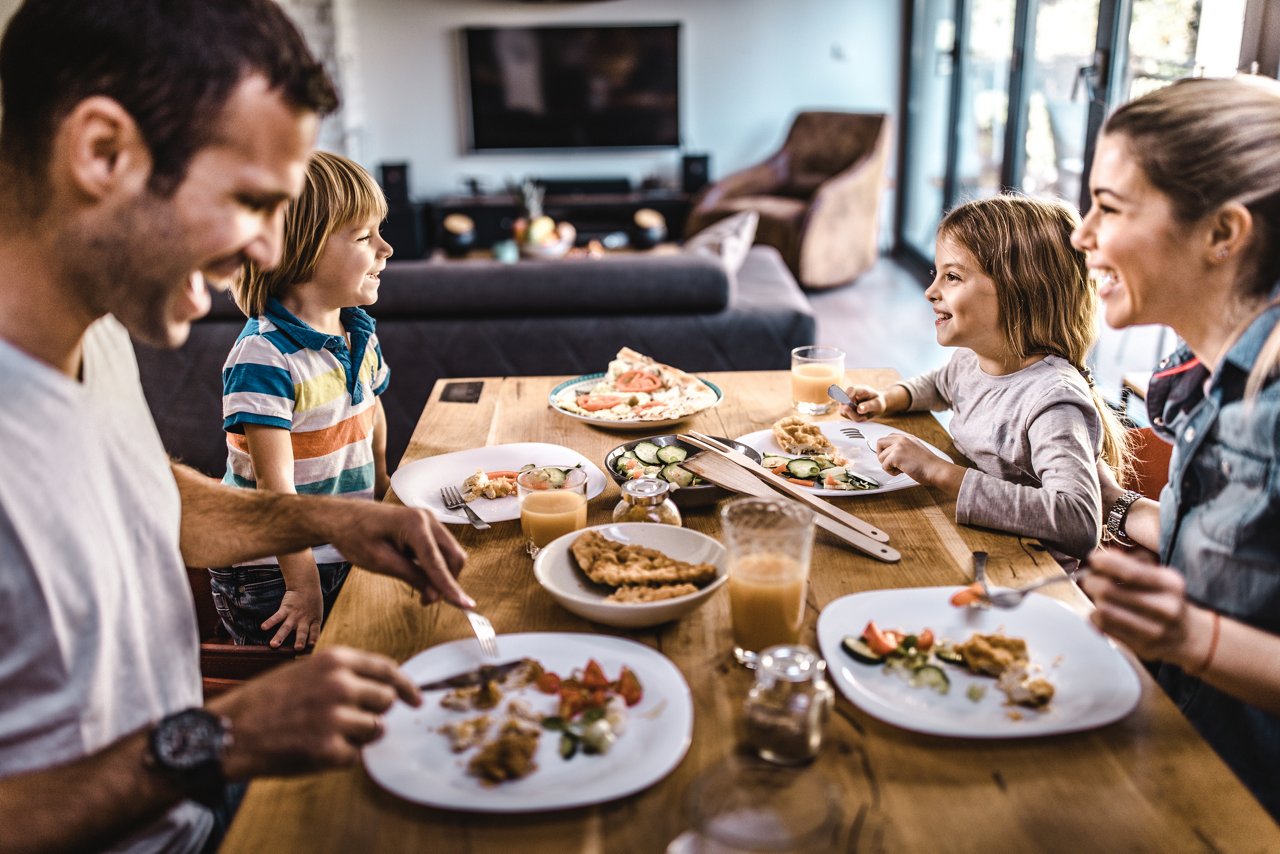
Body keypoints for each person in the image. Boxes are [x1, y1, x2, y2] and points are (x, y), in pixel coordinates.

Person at [0, 2, 473, 851]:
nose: (266, 252)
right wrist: (223, 738)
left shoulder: (94, 329)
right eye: (251, 202)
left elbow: (136, 494)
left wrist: (328, 516)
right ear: (102, 152)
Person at [1070, 76, 1280, 818]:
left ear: (1223, 234)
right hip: (1182, 755)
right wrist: (1118, 506)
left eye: (1110, 207)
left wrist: (1193, 635)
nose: (1080, 233)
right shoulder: (1211, 380)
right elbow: (1238, 555)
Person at [839, 194, 1129, 560]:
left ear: (1020, 290)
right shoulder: (972, 361)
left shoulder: (1052, 400)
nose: (931, 292)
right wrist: (887, 399)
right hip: (970, 542)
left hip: (1023, 572)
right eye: (937, 274)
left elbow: (1078, 521)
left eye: (953, 277)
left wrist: (939, 472)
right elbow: (937, 385)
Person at [214, 151, 395, 649]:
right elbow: (277, 488)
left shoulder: (357, 330)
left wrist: (382, 490)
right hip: (274, 571)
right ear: (301, 251)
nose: (387, 248)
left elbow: (369, 411)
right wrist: (301, 583)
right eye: (364, 237)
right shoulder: (264, 355)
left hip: (339, 546)